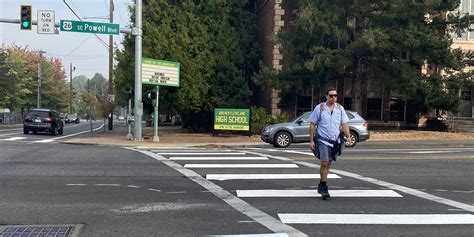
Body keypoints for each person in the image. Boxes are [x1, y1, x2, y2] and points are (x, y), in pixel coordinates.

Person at [309, 87, 351, 199]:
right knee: (324, 162)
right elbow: (312, 124)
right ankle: (324, 187)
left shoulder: (340, 109)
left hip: (335, 141)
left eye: (335, 96)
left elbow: (345, 124)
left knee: (328, 164)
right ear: (326, 96)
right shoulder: (320, 108)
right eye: (331, 96)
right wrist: (312, 140)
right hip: (323, 140)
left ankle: (321, 183)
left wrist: (348, 136)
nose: (333, 98)